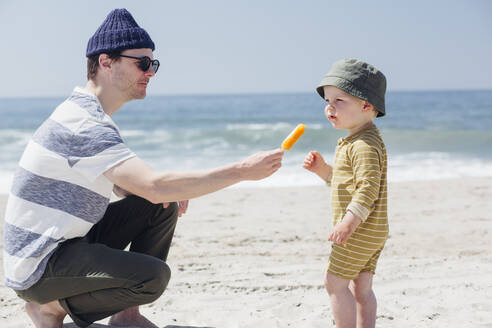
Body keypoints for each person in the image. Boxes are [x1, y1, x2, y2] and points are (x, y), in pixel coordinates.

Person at [2, 8, 284, 328]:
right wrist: (243, 170)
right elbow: (153, 185)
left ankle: (126, 316)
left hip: (67, 246)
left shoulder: (89, 115)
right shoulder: (83, 123)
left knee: (160, 207)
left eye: (154, 64)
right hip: (39, 267)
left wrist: (169, 190)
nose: (150, 72)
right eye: (143, 63)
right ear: (106, 62)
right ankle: (49, 307)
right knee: (152, 276)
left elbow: (132, 184)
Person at [303, 59, 388, 328]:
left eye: (340, 100)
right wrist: (324, 171)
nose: (330, 107)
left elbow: (367, 189)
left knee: (334, 282)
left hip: (359, 229)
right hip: (372, 229)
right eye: (328, 100)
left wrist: (348, 222)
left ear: (366, 106)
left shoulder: (362, 145)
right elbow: (347, 183)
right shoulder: (360, 139)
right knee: (361, 288)